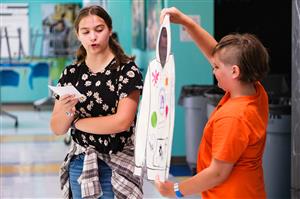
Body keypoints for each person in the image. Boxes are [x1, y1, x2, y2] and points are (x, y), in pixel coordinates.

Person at [155, 7, 270, 199]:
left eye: (216, 67)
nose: (213, 69)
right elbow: (216, 54)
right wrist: (187, 22)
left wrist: (175, 189)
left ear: (235, 71)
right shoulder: (256, 91)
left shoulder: (233, 118)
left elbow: (217, 173)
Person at [50, 5, 143, 199]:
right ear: (78, 35)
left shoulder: (127, 71)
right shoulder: (71, 74)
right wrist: (68, 110)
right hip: (81, 163)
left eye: (99, 30)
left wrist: (75, 122)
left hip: (118, 162)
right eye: (86, 32)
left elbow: (121, 122)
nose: (93, 37)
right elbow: (58, 128)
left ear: (109, 30)